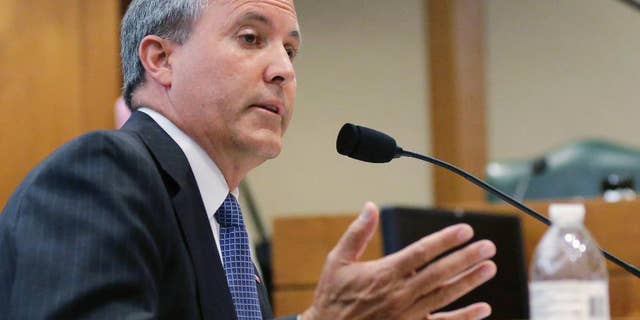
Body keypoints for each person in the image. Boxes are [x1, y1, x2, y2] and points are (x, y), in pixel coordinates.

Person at [0, 0, 497, 319]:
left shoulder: (222, 218)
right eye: (251, 38)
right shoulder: (101, 173)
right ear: (161, 60)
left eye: (291, 50)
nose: (283, 69)